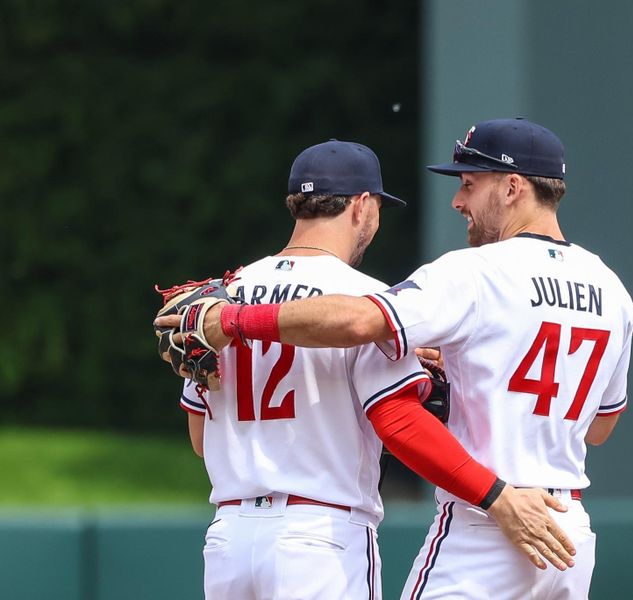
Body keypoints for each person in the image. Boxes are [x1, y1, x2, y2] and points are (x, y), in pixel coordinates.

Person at [160, 138, 578, 600]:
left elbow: (202, 440)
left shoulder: (219, 300)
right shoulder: (363, 300)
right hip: (321, 534)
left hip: (228, 539)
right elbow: (395, 418)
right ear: (361, 207)